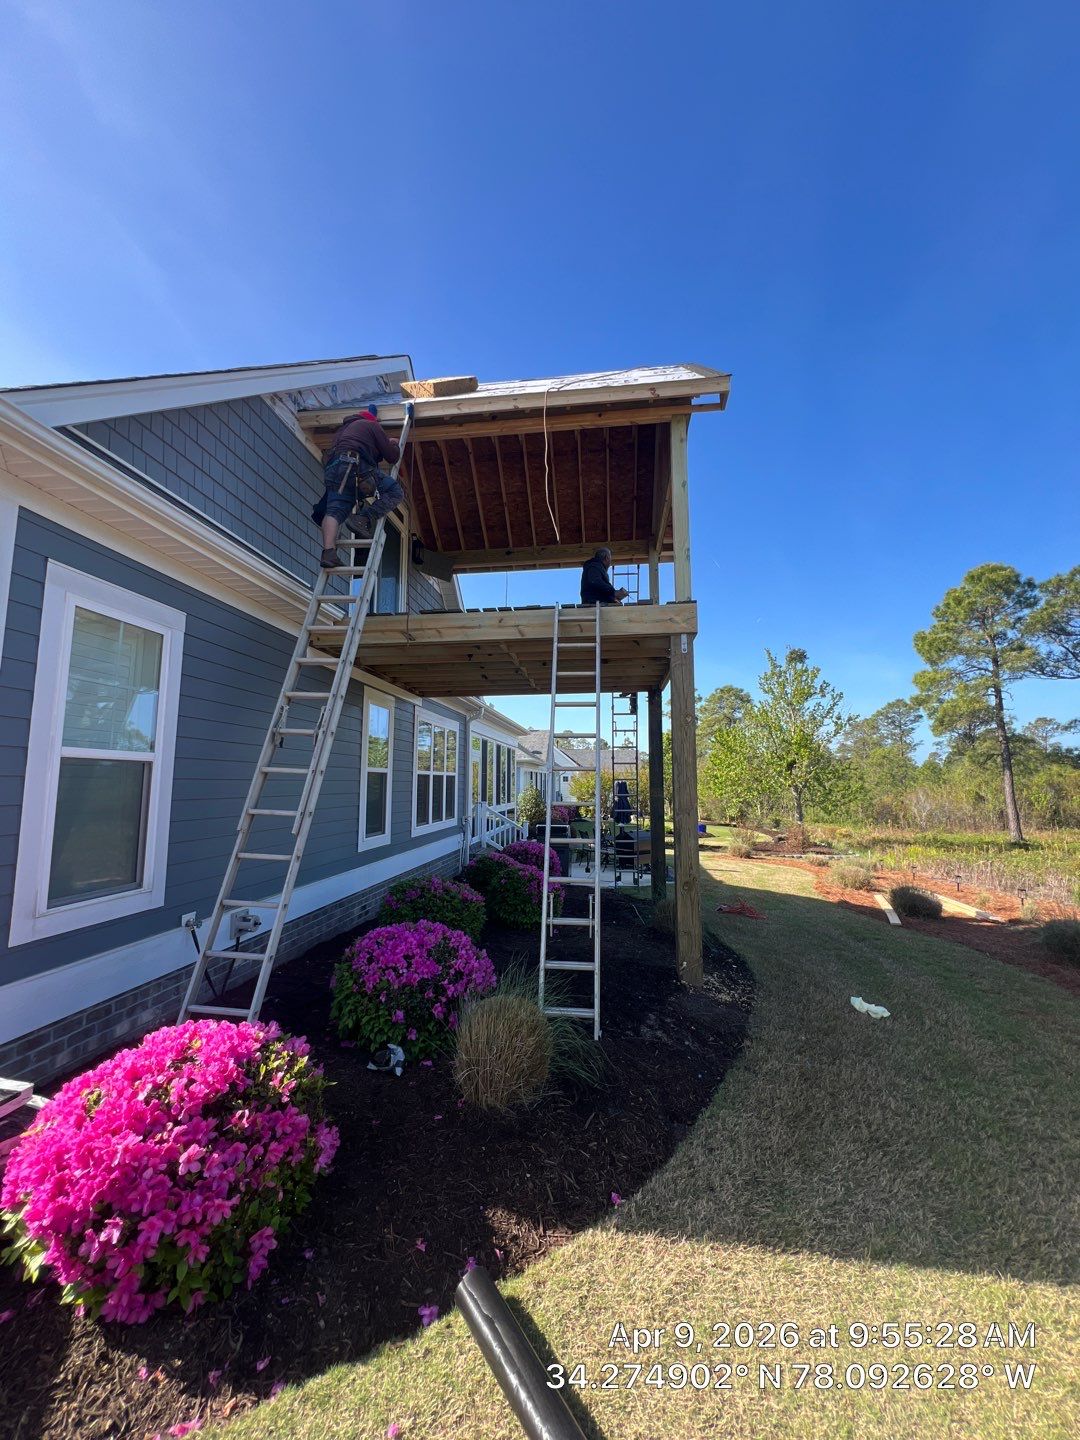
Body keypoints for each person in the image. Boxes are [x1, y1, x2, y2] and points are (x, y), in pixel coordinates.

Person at [312, 402, 412, 567]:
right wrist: (393, 443)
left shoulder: (343, 431)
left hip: (334, 470)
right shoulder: (371, 425)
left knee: (334, 511)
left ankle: (328, 553)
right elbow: (392, 457)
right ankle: (364, 517)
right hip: (355, 466)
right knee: (395, 492)